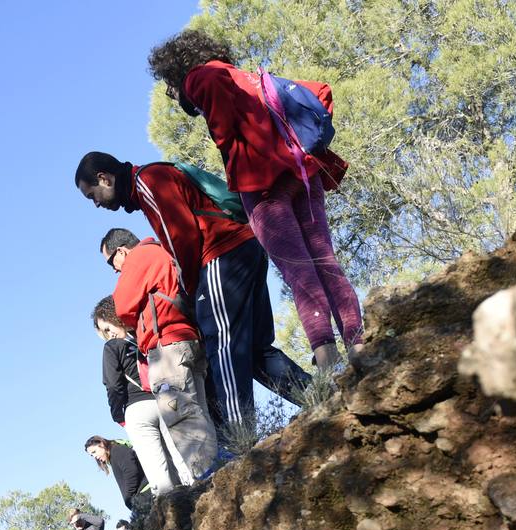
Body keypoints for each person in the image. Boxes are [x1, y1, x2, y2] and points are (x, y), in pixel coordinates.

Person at [146, 31, 362, 370]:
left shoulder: (201, 77)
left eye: (169, 85)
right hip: (303, 173)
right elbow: (318, 90)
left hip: (262, 187)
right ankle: (359, 345)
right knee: (324, 261)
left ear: (176, 69)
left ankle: (327, 361)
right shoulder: (244, 77)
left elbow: (224, 131)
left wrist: (192, 98)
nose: (174, 93)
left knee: (300, 273)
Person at [75, 157, 310, 427]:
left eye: (92, 195)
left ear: (105, 178)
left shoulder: (147, 181)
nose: (96, 203)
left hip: (221, 255)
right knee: (256, 350)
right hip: (245, 247)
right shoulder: (151, 180)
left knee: (222, 346)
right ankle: (315, 396)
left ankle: (241, 437)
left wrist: (187, 290)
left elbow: (181, 237)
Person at [103, 232, 218, 479]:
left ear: (122, 251)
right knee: (199, 412)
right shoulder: (163, 249)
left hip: (165, 343)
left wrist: (137, 321)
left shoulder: (139, 257)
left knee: (178, 414)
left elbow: (121, 306)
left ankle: (208, 476)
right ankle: (219, 468)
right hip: (190, 338)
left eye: (111, 262)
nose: (115, 270)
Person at [92, 295, 185, 494]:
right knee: (179, 461)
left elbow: (113, 385)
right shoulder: (142, 340)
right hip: (163, 401)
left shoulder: (112, 347)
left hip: (137, 409)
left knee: (158, 473)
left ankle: (175, 519)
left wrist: (117, 415)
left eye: (107, 329)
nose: (109, 335)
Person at [85, 435, 150, 514]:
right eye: (92, 455)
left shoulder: (117, 450)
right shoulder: (113, 455)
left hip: (146, 495)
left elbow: (131, 472)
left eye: (94, 452)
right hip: (140, 499)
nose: (95, 457)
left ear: (101, 444)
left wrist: (128, 498)